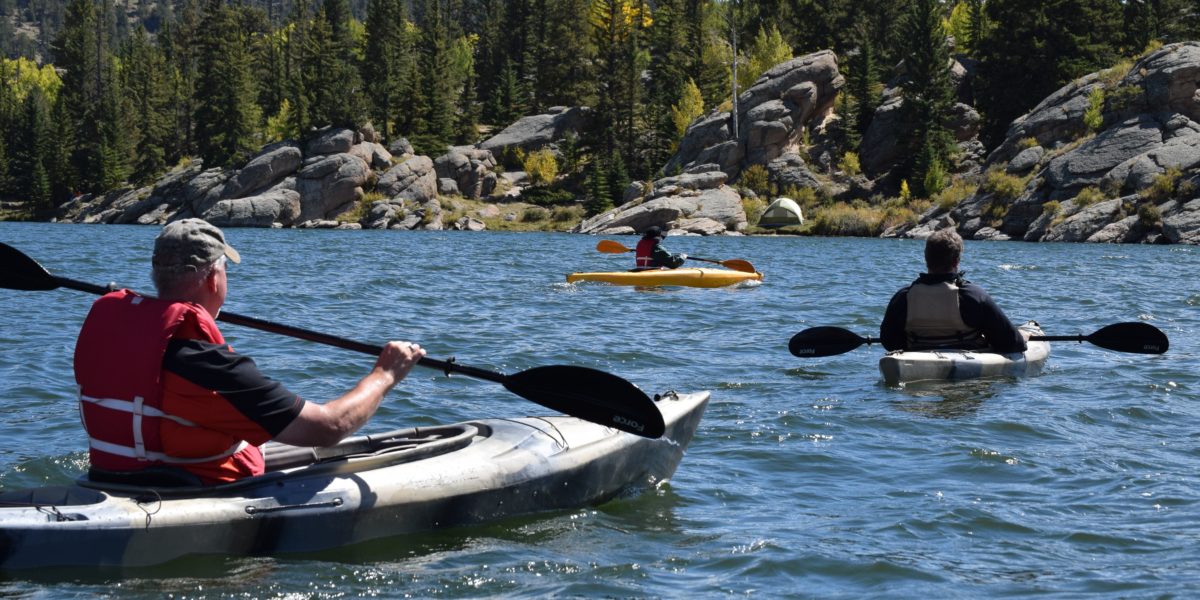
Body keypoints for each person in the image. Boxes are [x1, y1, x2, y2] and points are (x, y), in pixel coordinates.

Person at [73, 218, 426, 485]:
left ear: (156, 275)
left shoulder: (113, 340)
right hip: (191, 489)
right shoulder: (206, 363)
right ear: (213, 279)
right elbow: (328, 427)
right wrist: (386, 374)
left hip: (115, 477)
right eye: (225, 272)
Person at [879, 227, 1028, 353]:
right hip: (968, 369)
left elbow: (888, 342)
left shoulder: (903, 297)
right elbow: (1012, 344)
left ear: (926, 259)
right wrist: (1022, 336)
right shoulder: (972, 296)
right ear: (956, 261)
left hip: (919, 361)